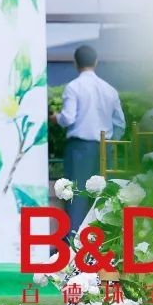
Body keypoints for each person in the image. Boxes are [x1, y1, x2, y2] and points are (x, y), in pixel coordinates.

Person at [50, 45, 125, 237]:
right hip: (105, 148)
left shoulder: (74, 87)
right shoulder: (110, 89)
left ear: (75, 63)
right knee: (103, 197)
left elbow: (68, 118)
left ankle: (74, 244)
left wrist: (56, 118)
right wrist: (110, 142)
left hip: (79, 148)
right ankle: (101, 242)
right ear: (96, 62)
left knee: (76, 196)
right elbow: (120, 123)